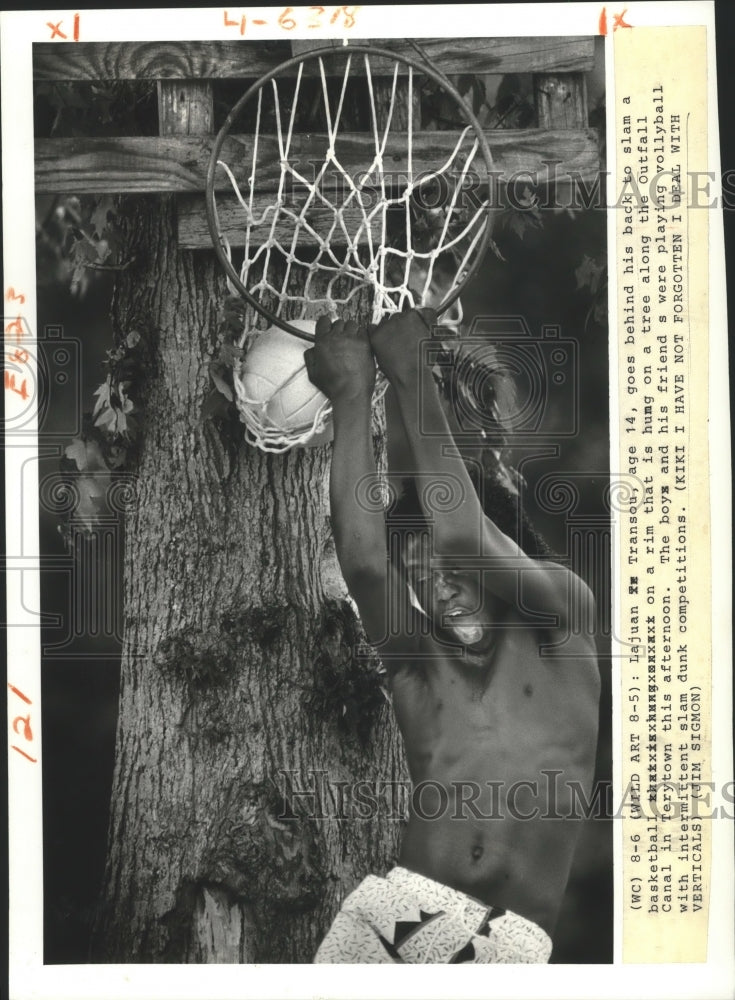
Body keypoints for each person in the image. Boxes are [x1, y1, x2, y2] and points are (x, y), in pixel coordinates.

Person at [304, 309, 600, 964]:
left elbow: (461, 534)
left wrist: (412, 376)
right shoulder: (420, 666)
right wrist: (351, 396)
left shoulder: (562, 621)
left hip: (510, 944)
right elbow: (363, 563)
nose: (436, 584)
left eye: (448, 570)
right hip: (398, 914)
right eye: (420, 571)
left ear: (503, 561)